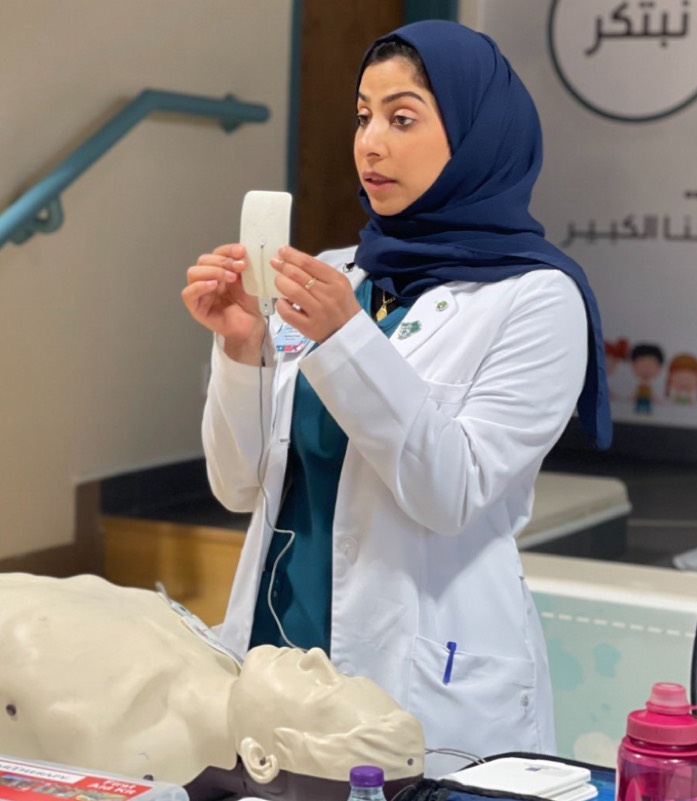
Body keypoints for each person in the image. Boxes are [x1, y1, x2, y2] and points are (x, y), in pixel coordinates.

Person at [181, 20, 611, 776]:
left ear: (475, 137)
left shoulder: (538, 299)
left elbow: (453, 491)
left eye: (402, 118)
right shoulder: (337, 274)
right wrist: (242, 350)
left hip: (422, 678)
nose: (370, 144)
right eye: (362, 116)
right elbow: (239, 484)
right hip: (277, 657)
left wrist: (347, 341)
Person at [0, 573, 424, 796]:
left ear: (262, 759)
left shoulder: (114, 749)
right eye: (341, 673)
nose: (318, 659)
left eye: (324, 689)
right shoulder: (215, 661)